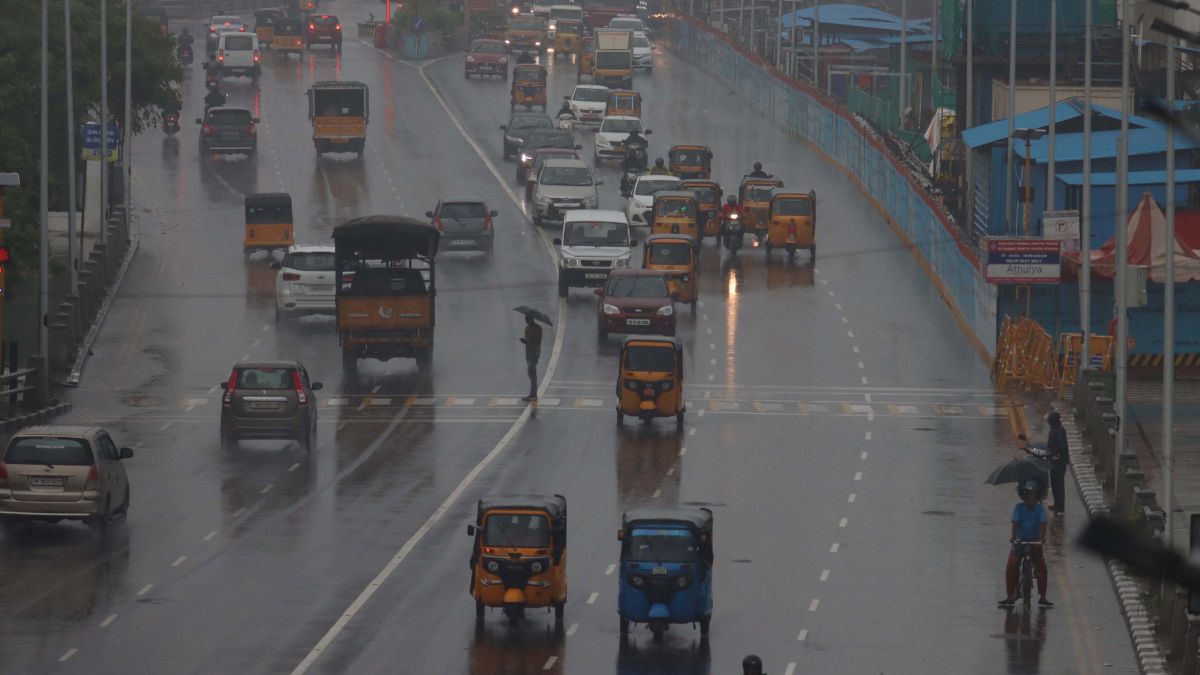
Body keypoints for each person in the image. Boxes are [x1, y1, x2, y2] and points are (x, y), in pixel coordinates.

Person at [999, 480, 1052, 608]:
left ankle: (1043, 596)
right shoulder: (1019, 508)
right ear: (1024, 495)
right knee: (1011, 567)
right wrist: (1014, 538)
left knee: (1042, 569)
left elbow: (1043, 524)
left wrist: (1042, 539)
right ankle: (1011, 594)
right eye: (1028, 494)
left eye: (1033, 495)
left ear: (1037, 496)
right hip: (1020, 541)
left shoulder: (1039, 509)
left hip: (1035, 542)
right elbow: (1015, 524)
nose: (1030, 498)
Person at [1045, 411, 1069, 515]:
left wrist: (1056, 455)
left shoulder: (1059, 430)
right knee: (1054, 483)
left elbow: (1062, 446)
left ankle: (1060, 508)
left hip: (1058, 463)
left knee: (1058, 484)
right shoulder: (1054, 429)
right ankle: (1057, 505)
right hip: (1054, 461)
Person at [520, 313, 543, 401]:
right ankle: (532, 393)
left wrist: (527, 341)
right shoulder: (527, 328)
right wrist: (525, 341)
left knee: (532, 373)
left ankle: (533, 394)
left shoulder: (537, 329)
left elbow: (536, 341)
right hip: (528, 353)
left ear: (530, 319)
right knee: (531, 373)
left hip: (534, 353)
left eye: (526, 318)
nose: (525, 320)